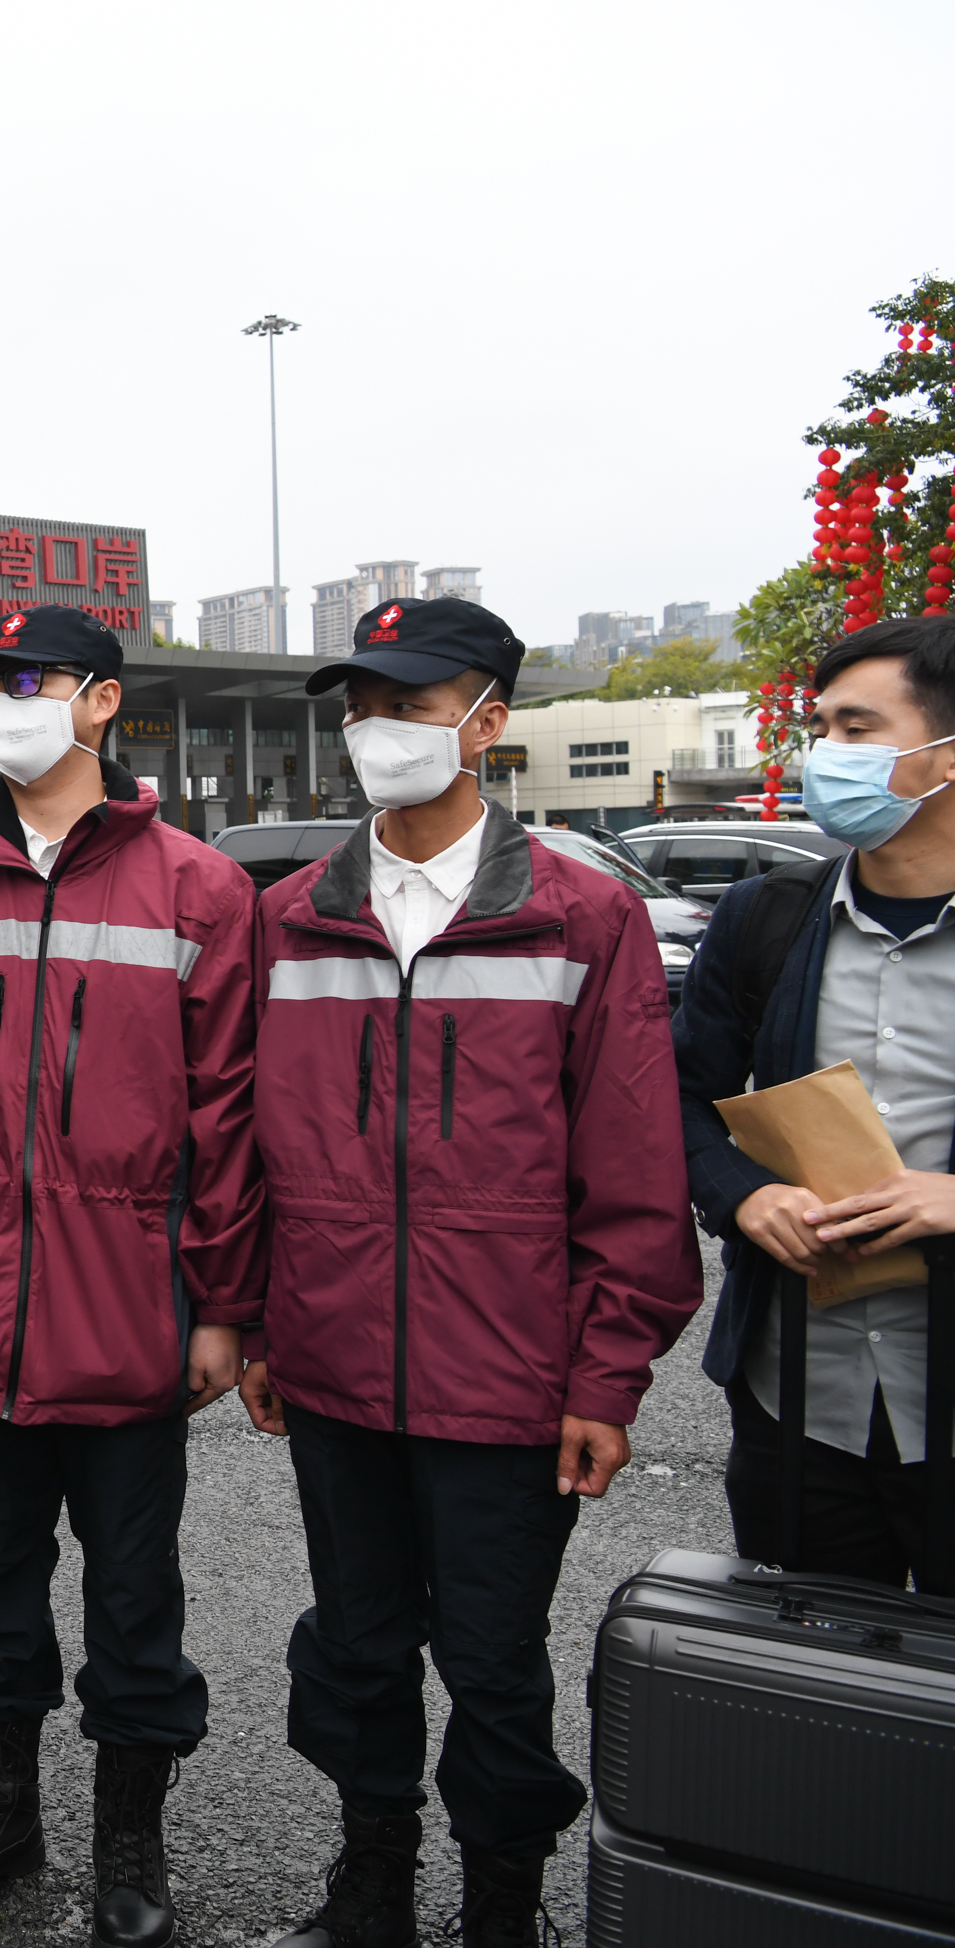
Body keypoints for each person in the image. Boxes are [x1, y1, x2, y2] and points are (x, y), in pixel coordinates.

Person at [241, 598, 698, 1948]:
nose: (378, 730)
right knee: (355, 1646)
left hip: (507, 1385)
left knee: (496, 1667)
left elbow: (634, 1176)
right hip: (331, 1370)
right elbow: (248, 1155)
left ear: (487, 725)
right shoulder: (292, 919)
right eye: (360, 705)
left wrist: (606, 1376)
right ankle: (371, 1885)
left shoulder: (580, 921)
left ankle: (505, 1902)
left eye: (412, 703)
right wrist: (261, 1325)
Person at [0, 607, 261, 1944]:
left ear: (102, 704)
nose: (4, 705)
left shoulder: (198, 889)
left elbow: (230, 1121)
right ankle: (0, 1812)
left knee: (135, 1603)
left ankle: (129, 1845)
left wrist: (223, 1307)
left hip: (132, 1313)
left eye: (31, 683)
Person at [679, 614, 955, 1595]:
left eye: (857, 727)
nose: (825, 755)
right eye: (822, 727)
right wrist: (745, 1194)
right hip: (798, 1397)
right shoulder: (768, 918)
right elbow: (678, 1096)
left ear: (944, 756)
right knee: (819, 1711)